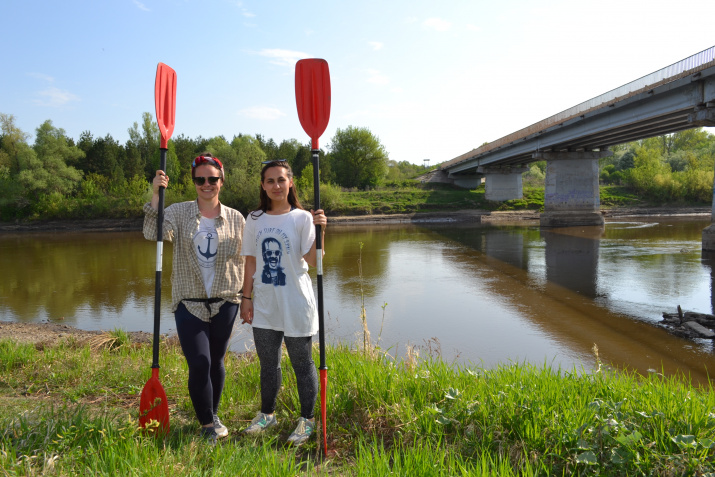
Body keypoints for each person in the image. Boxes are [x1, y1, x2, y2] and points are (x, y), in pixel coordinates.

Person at [143, 153, 246, 443]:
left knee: (216, 361)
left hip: (226, 300)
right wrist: (155, 194)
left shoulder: (236, 218)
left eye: (212, 178)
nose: (206, 184)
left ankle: (212, 414)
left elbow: (248, 257)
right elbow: (154, 233)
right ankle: (206, 426)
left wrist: (249, 296)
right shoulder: (178, 212)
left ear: (221, 181)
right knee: (200, 361)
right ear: (194, 182)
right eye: (200, 179)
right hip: (188, 301)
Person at [239, 159, 327, 446]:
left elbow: (314, 262)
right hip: (265, 303)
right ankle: (268, 414)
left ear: (290, 183)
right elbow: (251, 261)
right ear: (263, 186)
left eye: (281, 179)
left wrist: (322, 231)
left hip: (296, 301)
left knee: (302, 364)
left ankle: (307, 419)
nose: (276, 185)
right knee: (268, 364)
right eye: (270, 181)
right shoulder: (254, 219)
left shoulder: (302, 218)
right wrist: (246, 298)